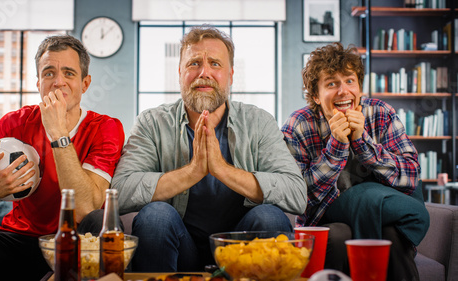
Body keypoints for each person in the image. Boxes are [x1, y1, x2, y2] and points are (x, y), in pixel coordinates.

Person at [111, 25, 307, 272]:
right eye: (194, 64)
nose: (204, 72)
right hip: (180, 246)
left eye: (215, 64)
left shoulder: (259, 122)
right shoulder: (151, 122)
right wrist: (193, 172)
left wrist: (222, 170)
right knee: (156, 216)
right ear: (180, 72)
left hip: (240, 250)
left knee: (270, 217)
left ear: (231, 75)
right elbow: (120, 190)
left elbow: (297, 195)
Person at [0, 35, 125, 281]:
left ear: (85, 83)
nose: (58, 82)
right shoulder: (13, 123)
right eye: (49, 73)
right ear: (38, 82)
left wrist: (57, 133)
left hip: (76, 245)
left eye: (69, 73)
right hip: (18, 242)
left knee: (100, 220)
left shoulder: (106, 127)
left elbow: (85, 208)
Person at [281, 42, 429, 281]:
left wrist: (362, 142)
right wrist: (337, 146)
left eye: (350, 81)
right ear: (316, 96)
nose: (343, 91)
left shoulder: (380, 113)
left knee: (392, 235)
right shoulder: (298, 125)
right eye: (331, 83)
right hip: (326, 217)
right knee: (338, 237)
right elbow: (297, 197)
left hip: (381, 214)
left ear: (359, 88)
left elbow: (411, 175)